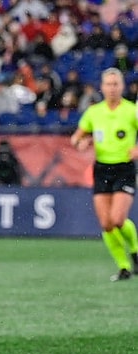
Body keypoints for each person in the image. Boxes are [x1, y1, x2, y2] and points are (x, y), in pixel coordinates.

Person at [70, 68, 138, 282]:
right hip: (102, 169)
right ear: (102, 87)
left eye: (115, 84)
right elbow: (76, 138)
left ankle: (135, 251)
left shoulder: (131, 111)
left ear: (122, 86)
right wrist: (82, 142)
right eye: (108, 84)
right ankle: (124, 267)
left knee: (118, 219)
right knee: (106, 224)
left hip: (124, 168)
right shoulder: (94, 112)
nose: (112, 88)